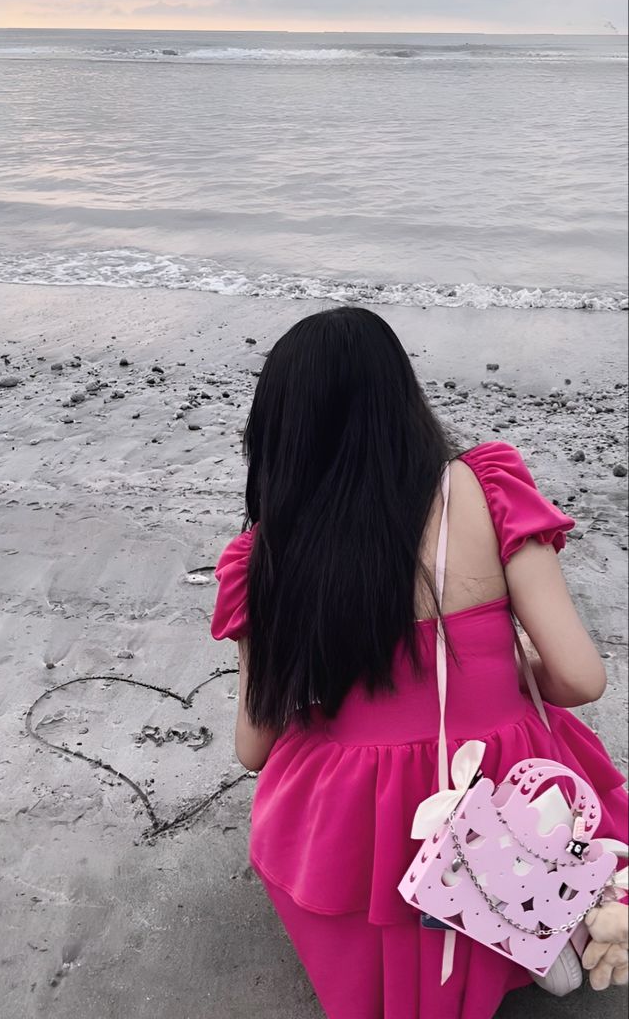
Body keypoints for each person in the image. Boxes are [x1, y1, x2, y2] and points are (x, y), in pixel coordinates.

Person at [210, 306, 628, 1018]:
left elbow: (252, 748)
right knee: (555, 761)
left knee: (331, 850)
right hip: (490, 790)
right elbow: (580, 679)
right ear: (400, 399)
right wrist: (504, 665)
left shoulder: (260, 559)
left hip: (357, 825)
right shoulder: (484, 488)